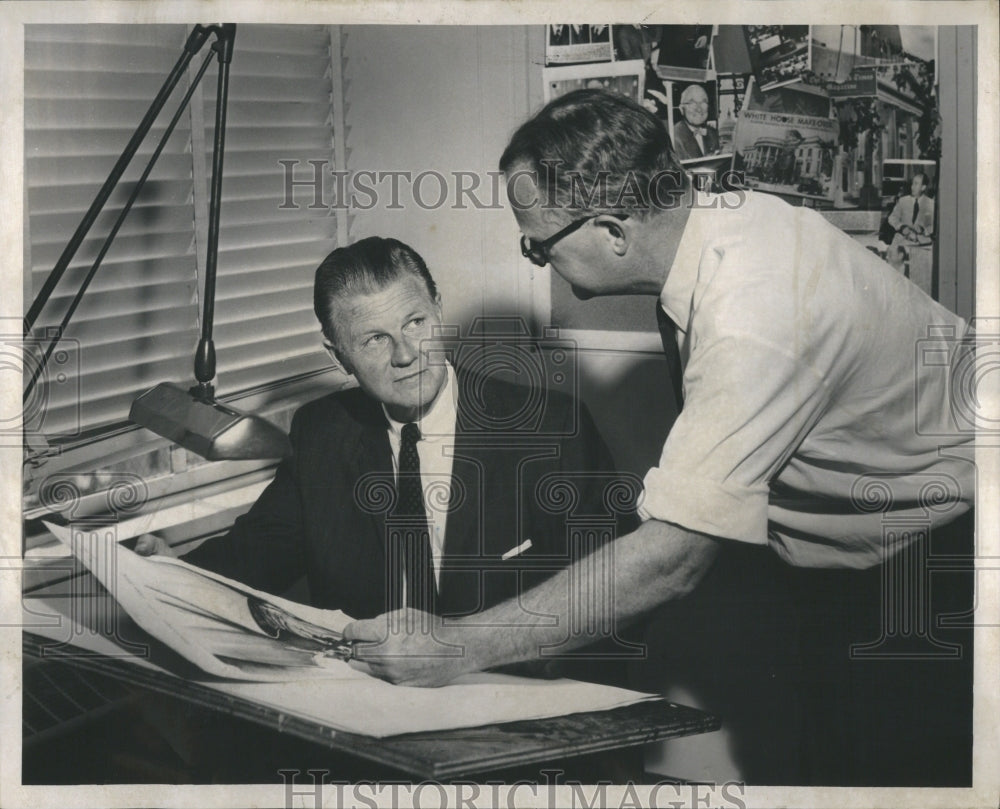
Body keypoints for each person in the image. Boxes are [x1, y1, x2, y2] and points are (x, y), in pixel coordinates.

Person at [345, 91, 974, 786]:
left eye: (539, 245)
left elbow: (674, 559)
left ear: (612, 230)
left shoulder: (750, 316)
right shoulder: (713, 230)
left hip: (937, 564)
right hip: (862, 558)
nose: (538, 259)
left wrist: (450, 646)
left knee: (894, 780)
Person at [139, 235, 637, 680]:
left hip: (512, 703)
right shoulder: (323, 433)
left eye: (415, 322)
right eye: (374, 339)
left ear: (438, 310)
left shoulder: (548, 429)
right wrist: (167, 575)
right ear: (339, 357)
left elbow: (616, 596)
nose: (405, 354)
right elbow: (252, 558)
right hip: (374, 710)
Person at [886, 171, 935, 271]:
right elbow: (892, 218)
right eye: (912, 183)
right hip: (901, 241)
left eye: (916, 184)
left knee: (918, 271)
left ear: (923, 187)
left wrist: (923, 230)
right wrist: (901, 227)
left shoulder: (931, 204)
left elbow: (934, 225)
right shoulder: (903, 201)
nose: (912, 187)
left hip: (921, 244)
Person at [671, 83, 720, 160]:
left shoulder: (712, 133)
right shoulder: (674, 136)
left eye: (703, 102)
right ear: (681, 109)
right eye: (692, 103)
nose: (699, 109)